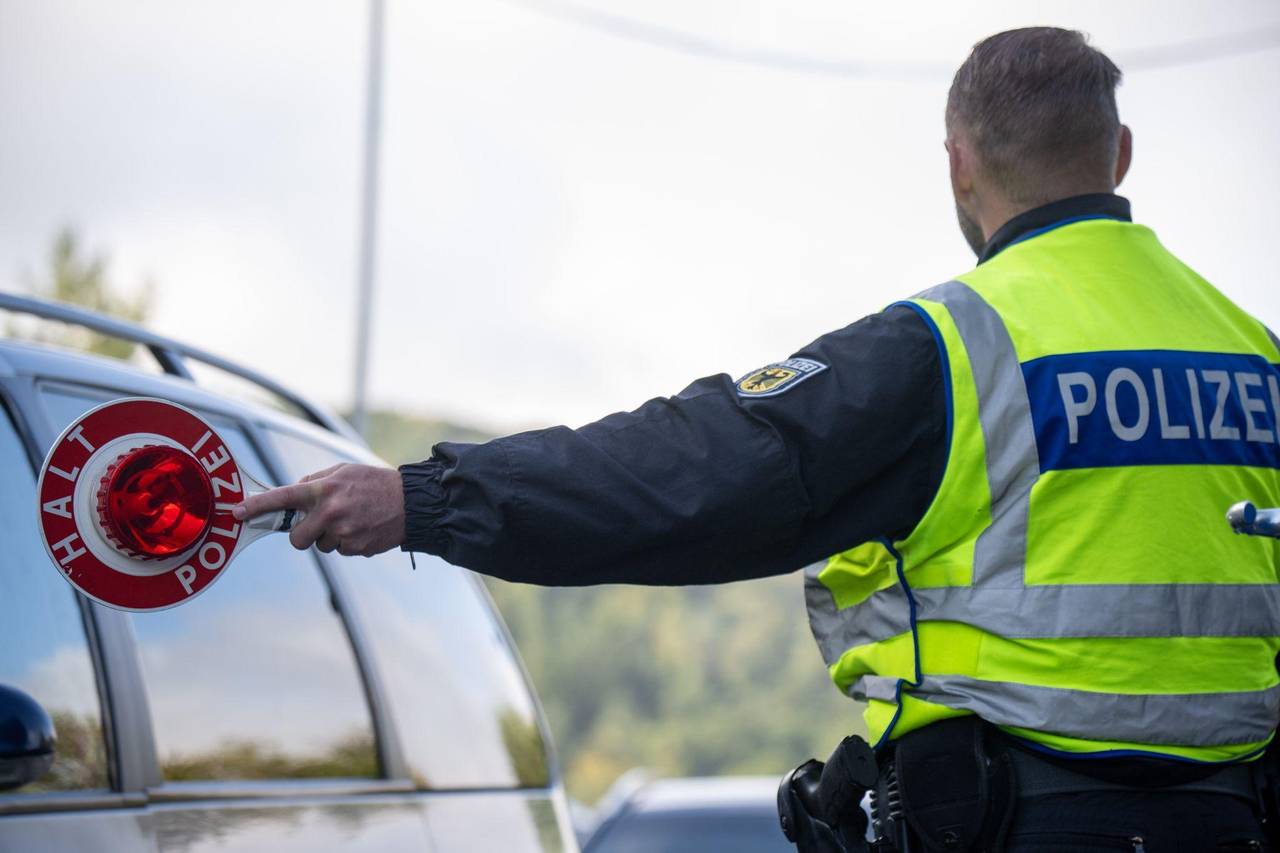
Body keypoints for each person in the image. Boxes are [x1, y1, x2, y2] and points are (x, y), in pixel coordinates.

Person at [236, 27, 1280, 851]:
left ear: (959, 165)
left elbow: (684, 474)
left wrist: (424, 498)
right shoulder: (1254, 353)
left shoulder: (947, 347)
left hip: (1014, 822)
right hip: (1237, 820)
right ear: (1118, 155)